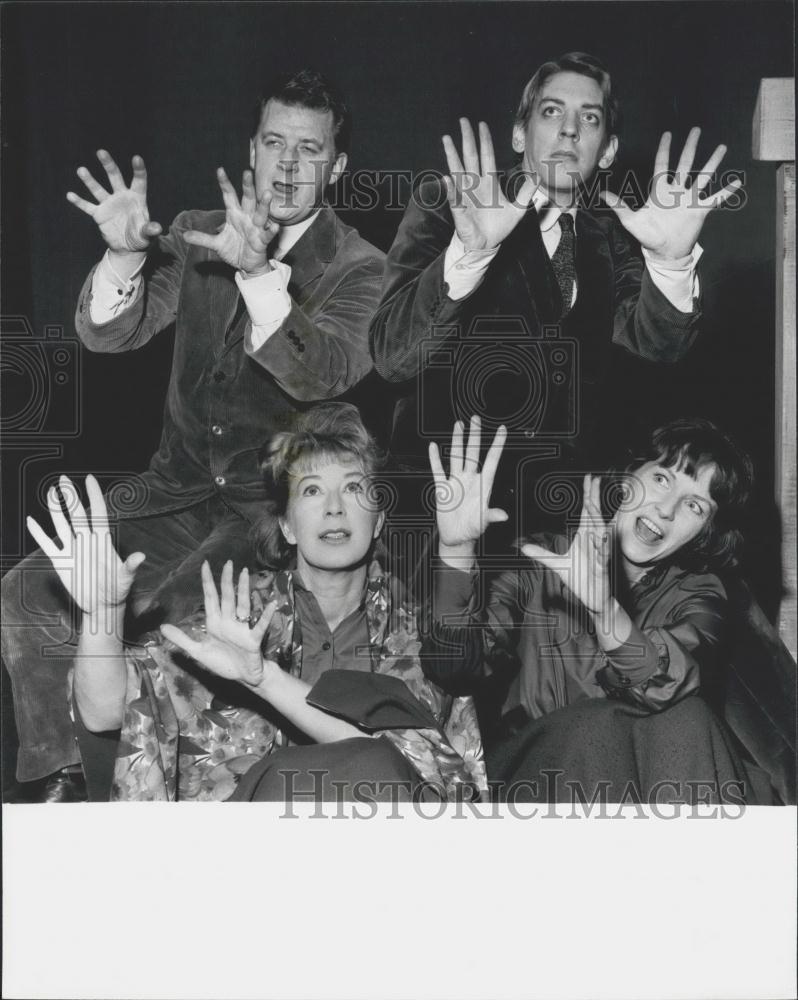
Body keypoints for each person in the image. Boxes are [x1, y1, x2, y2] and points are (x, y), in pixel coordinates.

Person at [2, 70, 386, 797]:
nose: (288, 165)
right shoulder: (195, 228)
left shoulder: (363, 268)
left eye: (310, 149)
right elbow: (110, 335)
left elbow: (323, 374)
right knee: (25, 596)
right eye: (275, 143)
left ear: (338, 167)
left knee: (165, 625)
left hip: (264, 515)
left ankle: (142, 800)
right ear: (252, 149)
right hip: (168, 492)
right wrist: (122, 258)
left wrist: (261, 274)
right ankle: (65, 782)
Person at [369, 51, 742, 549]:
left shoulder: (616, 236)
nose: (569, 130)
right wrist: (469, 255)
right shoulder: (449, 205)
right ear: (519, 135)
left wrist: (672, 263)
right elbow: (393, 357)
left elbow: (658, 345)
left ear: (607, 150)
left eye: (589, 118)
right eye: (551, 112)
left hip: (559, 531)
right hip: (438, 516)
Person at [25, 404, 486, 802]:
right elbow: (106, 710)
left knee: (372, 762)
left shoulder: (412, 637)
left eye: (352, 487)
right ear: (286, 526)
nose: (333, 507)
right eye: (311, 490)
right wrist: (102, 617)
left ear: (380, 519)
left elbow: (429, 773)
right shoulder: (238, 616)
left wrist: (459, 552)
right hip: (250, 856)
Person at [422, 415, 773, 802]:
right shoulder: (539, 561)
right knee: (596, 728)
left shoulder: (700, 595)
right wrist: (455, 551)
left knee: (690, 720)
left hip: (644, 777)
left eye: (695, 505)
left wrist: (605, 611)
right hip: (534, 779)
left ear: (706, 530)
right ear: (628, 475)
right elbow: (453, 669)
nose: (667, 510)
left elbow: (667, 683)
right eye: (661, 479)